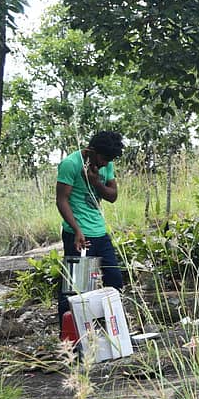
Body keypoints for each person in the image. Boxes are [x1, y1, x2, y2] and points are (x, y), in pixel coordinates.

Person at [56, 131, 125, 318]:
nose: (105, 163)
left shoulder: (106, 165)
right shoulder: (70, 164)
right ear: (90, 150)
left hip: (100, 232)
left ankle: (109, 328)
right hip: (78, 234)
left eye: (109, 159)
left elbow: (112, 196)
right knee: (76, 290)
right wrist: (77, 230)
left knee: (115, 281)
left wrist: (95, 182)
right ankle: (69, 341)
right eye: (103, 158)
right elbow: (61, 200)